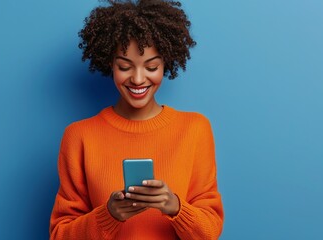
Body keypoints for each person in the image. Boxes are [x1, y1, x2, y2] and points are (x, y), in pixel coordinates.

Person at [49, 0, 224, 239]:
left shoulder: (194, 129)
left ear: (166, 64)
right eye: (125, 66)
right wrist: (108, 215)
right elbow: (60, 235)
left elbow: (210, 232)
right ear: (110, 63)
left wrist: (175, 207)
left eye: (151, 67)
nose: (138, 79)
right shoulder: (79, 136)